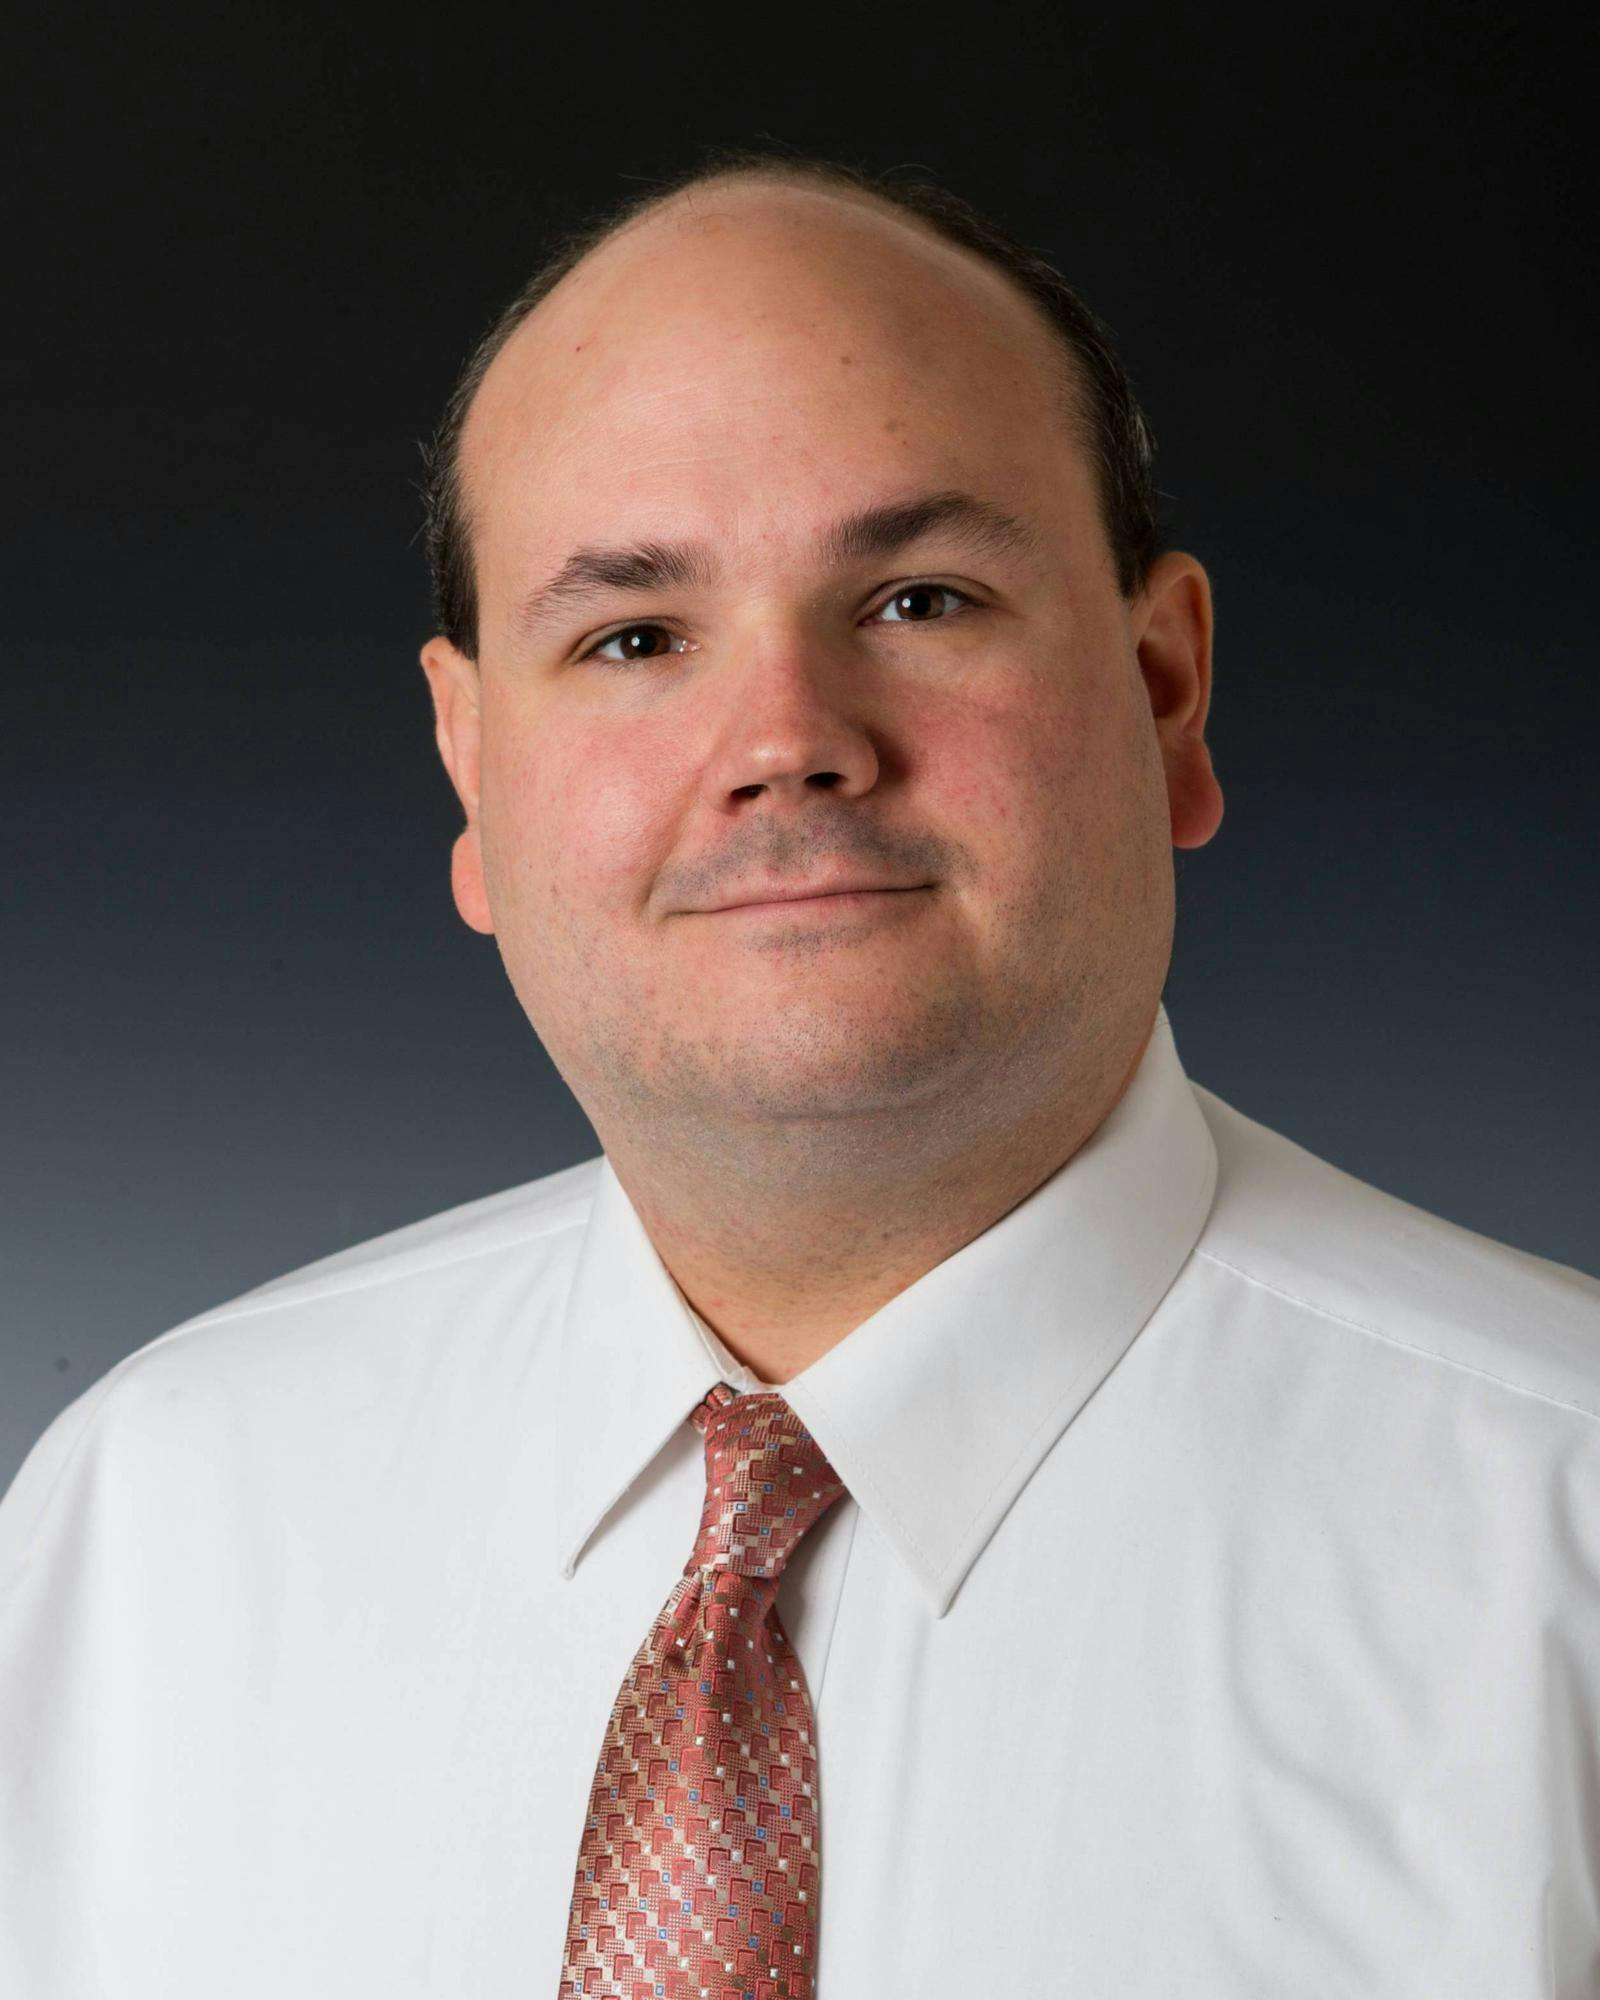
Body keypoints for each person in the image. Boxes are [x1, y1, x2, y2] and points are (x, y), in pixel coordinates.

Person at [2, 147, 1597, 2000]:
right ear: (470, 772)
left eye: (919, 599)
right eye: (634, 638)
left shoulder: (1562, 1549)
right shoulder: (153, 1524)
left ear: (1167, 692)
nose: (784, 743)